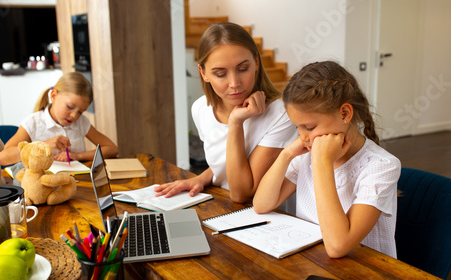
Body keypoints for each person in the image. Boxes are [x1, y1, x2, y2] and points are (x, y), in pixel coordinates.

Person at [253, 61, 401, 259]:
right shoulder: (305, 154)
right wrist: (286, 154)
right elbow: (261, 205)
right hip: (313, 261)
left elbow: (338, 246)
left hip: (365, 277)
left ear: (345, 114)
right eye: (297, 126)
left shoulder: (382, 167)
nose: (303, 136)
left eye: (310, 127)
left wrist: (322, 163)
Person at [155, 22, 297, 203]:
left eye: (242, 68)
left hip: (269, 217)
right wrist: (201, 178)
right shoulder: (200, 109)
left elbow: (242, 193)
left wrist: (236, 122)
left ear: (256, 63)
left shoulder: (280, 115)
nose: (234, 83)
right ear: (203, 73)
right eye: (221, 74)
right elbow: (225, 160)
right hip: (225, 205)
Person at [0, 72, 118, 166]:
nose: (74, 116)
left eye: (80, 112)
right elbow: (3, 157)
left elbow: (112, 149)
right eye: (70, 107)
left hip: (76, 182)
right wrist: (43, 145)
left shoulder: (81, 123)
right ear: (54, 96)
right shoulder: (33, 123)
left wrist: (78, 156)